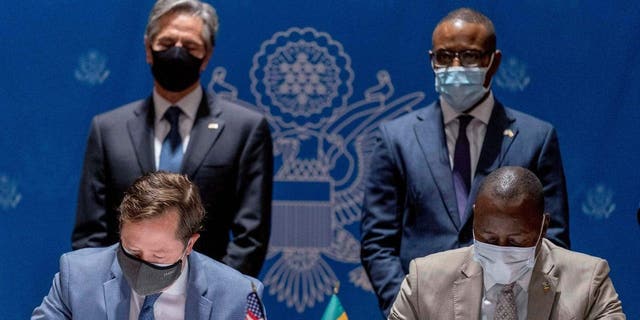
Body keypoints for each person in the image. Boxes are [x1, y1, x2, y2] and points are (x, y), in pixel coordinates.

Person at [360, 7, 570, 316]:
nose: (455, 66)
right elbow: (377, 243)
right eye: (444, 57)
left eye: (469, 56)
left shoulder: (535, 138)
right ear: (431, 60)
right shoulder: (396, 139)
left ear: (493, 62)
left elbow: (553, 239)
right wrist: (407, 307)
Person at [71, 0, 273, 277]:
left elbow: (250, 237)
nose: (177, 53)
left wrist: (215, 298)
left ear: (207, 55)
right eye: (166, 43)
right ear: (148, 49)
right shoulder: (108, 129)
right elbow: (91, 235)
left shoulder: (246, 129)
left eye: (189, 47)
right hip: (122, 296)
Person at [389, 166, 625, 319]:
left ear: (543, 227)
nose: (500, 250)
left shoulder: (589, 282)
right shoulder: (425, 280)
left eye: (516, 240)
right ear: (474, 219)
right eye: (489, 238)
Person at [34, 172, 265, 319]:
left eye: (158, 256)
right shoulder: (76, 276)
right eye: (132, 251)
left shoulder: (239, 296)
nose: (142, 266)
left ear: (189, 244)